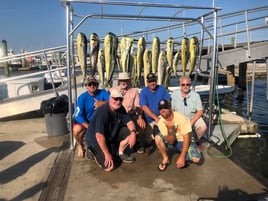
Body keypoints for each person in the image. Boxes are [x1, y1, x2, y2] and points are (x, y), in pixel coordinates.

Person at [85, 89, 137, 172]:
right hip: (96, 140)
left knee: (131, 132)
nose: (118, 102)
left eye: (120, 99)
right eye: (115, 99)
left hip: (109, 135)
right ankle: (92, 150)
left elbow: (130, 122)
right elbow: (99, 136)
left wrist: (133, 133)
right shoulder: (102, 112)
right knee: (109, 167)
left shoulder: (121, 108)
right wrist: (107, 154)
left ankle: (120, 152)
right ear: (110, 98)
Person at [155, 99, 201, 171]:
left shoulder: (181, 117)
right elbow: (170, 142)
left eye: (165, 107)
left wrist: (182, 157)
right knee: (157, 138)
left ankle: (184, 157)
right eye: (160, 108)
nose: (163, 110)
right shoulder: (161, 122)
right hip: (173, 141)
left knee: (196, 159)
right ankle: (165, 158)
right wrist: (171, 130)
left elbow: (187, 138)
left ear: (170, 108)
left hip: (184, 141)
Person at [73, 76, 110, 158]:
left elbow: (112, 101)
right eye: (90, 84)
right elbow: (77, 115)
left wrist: (102, 103)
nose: (92, 86)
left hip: (99, 121)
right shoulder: (82, 98)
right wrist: (88, 127)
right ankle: (80, 145)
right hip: (87, 122)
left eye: (94, 84)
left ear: (97, 85)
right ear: (86, 86)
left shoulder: (103, 92)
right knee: (76, 130)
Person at [110, 72, 147, 153]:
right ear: (119, 81)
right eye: (122, 80)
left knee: (140, 123)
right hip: (117, 116)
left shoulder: (134, 91)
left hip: (130, 115)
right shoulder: (112, 90)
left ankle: (140, 144)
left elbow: (137, 105)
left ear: (128, 81)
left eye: (125, 80)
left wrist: (140, 117)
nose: (123, 82)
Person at [171, 76, 207, 144]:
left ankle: (194, 141)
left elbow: (200, 111)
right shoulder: (174, 95)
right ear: (180, 85)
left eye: (187, 84)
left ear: (190, 85)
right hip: (179, 119)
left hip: (192, 117)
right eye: (183, 84)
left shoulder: (196, 95)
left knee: (203, 127)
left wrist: (191, 122)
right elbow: (171, 110)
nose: (185, 86)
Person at [139, 73, 171, 138]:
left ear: (156, 81)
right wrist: (156, 118)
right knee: (149, 140)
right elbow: (144, 107)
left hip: (161, 118)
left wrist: (162, 117)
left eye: (154, 81)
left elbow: (167, 103)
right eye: (150, 81)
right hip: (149, 121)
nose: (152, 83)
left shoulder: (162, 89)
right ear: (147, 83)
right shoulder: (144, 91)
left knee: (164, 136)